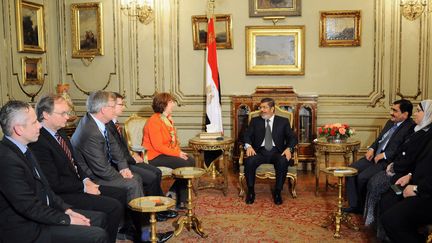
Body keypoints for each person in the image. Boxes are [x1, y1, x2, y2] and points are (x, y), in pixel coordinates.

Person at [0, 100, 109, 243]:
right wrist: (67, 219)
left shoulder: (24, 148)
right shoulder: (7, 160)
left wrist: (66, 210)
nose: (39, 125)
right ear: (19, 129)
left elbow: (47, 189)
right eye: (34, 122)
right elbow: (30, 208)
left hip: (41, 215)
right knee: (97, 235)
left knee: (100, 218)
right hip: (26, 228)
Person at [29, 94, 125, 243]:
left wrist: (86, 180)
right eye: (63, 113)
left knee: (120, 193)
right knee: (113, 207)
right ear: (46, 115)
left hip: (77, 184)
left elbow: (75, 161)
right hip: (63, 194)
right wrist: (84, 187)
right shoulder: (38, 141)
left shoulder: (60, 132)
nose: (67, 117)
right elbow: (53, 183)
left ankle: (117, 233)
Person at [107, 92, 178, 220]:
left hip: (127, 159)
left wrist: (132, 153)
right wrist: (130, 158)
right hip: (120, 164)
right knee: (150, 176)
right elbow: (112, 151)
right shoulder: (107, 125)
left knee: (156, 172)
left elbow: (120, 147)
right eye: (120, 104)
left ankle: (159, 208)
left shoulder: (114, 123)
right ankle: (154, 211)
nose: (123, 107)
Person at [364, 100, 432, 227]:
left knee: (379, 187)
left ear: (428, 114)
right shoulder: (415, 128)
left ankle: (380, 228)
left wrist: (396, 168)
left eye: (419, 111)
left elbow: (413, 160)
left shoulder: (426, 135)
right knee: (375, 184)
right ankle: (373, 224)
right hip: (402, 171)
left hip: (406, 175)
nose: (415, 114)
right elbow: (400, 150)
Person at [343, 99, 414, 214]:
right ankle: (354, 205)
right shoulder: (390, 122)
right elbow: (379, 139)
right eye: (392, 109)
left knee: (362, 177)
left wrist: (384, 155)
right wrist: (371, 148)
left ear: (405, 114)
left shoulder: (411, 127)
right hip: (374, 156)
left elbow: (402, 148)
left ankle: (362, 208)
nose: (391, 113)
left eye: (395, 111)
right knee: (350, 171)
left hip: (386, 162)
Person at [379, 105, 432, 242]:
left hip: (425, 193)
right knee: (388, 198)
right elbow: (422, 164)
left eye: (419, 111)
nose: (416, 113)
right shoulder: (424, 132)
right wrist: (410, 176)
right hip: (416, 182)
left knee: (391, 219)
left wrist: (416, 189)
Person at [142, 92, 195, 209]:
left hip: (164, 154)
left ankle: (174, 192)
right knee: (185, 164)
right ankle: (181, 200)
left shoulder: (167, 120)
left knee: (191, 160)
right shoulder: (154, 121)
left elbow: (173, 142)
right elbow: (158, 146)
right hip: (154, 156)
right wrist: (177, 154)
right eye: (171, 102)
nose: (173, 105)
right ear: (163, 104)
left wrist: (179, 152)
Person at [242, 97, 298, 205]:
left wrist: (288, 148)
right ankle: (251, 191)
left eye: (264, 107)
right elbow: (246, 135)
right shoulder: (255, 121)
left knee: (282, 161)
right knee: (249, 161)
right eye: (260, 107)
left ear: (272, 109)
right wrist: (248, 146)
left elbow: (293, 138)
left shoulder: (283, 121)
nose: (261, 110)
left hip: (277, 152)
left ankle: (277, 192)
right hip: (260, 152)